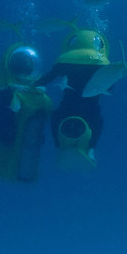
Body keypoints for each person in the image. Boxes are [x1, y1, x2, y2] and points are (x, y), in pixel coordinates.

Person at [0, 44, 52, 181]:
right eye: (21, 69)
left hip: (10, 150)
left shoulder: (34, 96)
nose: (23, 76)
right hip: (14, 149)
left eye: (26, 70)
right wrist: (11, 89)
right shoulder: (36, 98)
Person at [45, 29, 109, 171]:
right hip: (90, 107)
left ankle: (63, 147)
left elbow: (49, 77)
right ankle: (90, 149)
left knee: (56, 117)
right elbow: (110, 87)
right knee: (97, 121)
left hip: (69, 105)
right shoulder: (100, 65)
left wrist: (35, 84)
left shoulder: (65, 63)